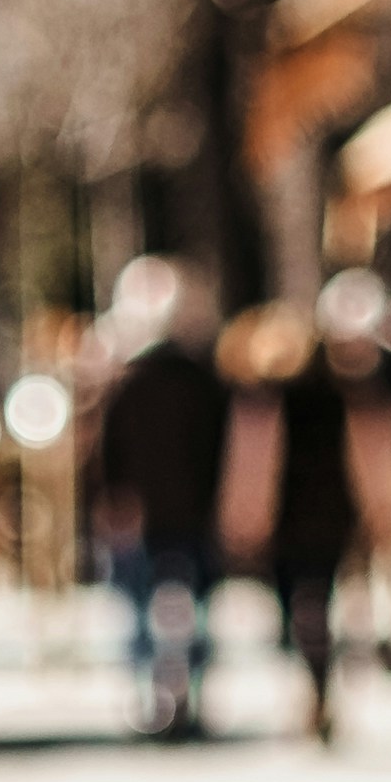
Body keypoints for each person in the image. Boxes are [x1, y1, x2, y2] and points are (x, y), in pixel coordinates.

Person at [87, 259, 229, 738]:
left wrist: (109, 504)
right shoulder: (202, 381)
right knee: (193, 611)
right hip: (192, 514)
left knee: (143, 614)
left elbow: (107, 458)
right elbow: (217, 450)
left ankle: (153, 696)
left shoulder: (126, 385)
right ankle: (188, 694)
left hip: (143, 518)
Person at [217, 300, 364, 746]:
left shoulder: (267, 399)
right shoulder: (335, 395)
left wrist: (241, 519)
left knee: (301, 609)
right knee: (315, 605)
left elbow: (249, 466)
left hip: (288, 523)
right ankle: (315, 686)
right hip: (327, 519)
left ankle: (312, 686)